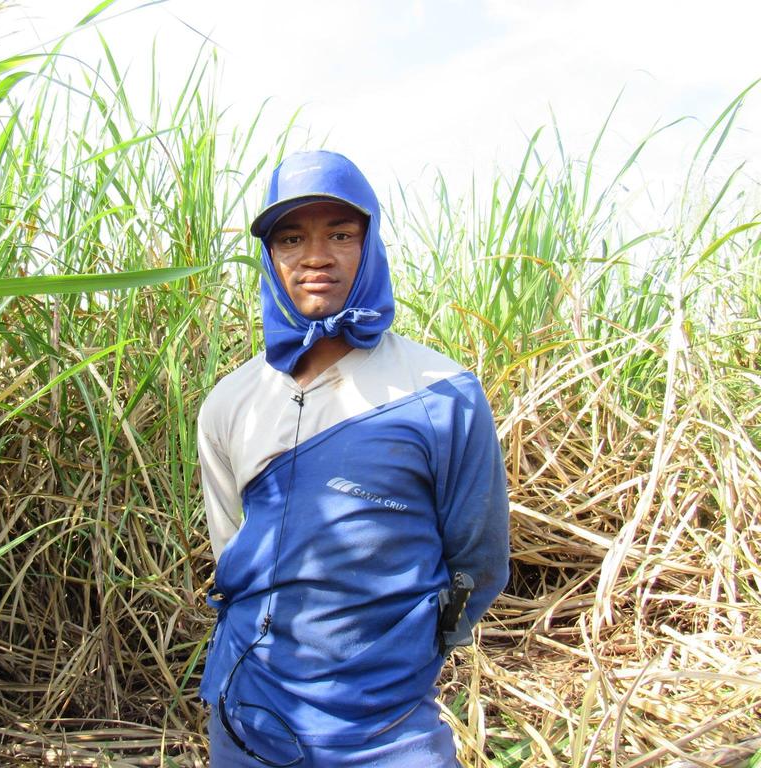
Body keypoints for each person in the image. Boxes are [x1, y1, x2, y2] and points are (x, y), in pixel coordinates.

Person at [196, 150, 510, 767]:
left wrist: (400, 659)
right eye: (292, 238)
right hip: (245, 718)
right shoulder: (231, 402)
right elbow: (233, 551)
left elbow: (477, 562)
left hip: (387, 728)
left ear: (371, 246)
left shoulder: (440, 394)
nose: (316, 256)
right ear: (270, 257)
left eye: (341, 234)